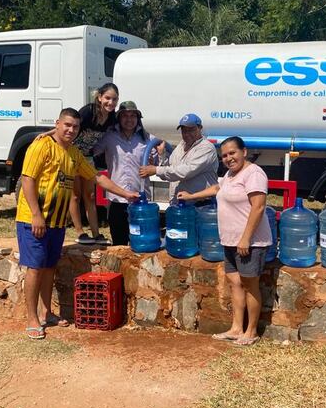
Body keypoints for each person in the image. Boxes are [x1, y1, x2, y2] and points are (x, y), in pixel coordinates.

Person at [17, 107, 138, 340]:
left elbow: (97, 177)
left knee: (49, 266)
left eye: (75, 127)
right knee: (34, 267)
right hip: (33, 219)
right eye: (67, 125)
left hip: (57, 222)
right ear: (58, 123)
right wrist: (35, 214)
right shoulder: (41, 146)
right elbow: (27, 179)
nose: (71, 130)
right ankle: (32, 318)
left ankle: (46, 313)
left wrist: (125, 193)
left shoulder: (73, 153)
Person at [177, 136, 271, 346]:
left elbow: (258, 207)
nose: (228, 158)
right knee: (235, 284)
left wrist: (246, 238)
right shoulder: (229, 175)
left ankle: (251, 331)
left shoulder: (254, 173)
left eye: (232, 153)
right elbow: (217, 189)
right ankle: (237, 328)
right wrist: (192, 196)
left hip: (250, 242)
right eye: (224, 156)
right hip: (230, 241)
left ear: (244, 152)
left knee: (249, 285)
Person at [36, 83, 119, 245]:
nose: (111, 102)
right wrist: (46, 134)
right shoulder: (89, 111)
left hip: (87, 157)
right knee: (75, 195)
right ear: (100, 97)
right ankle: (80, 232)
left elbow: (129, 126)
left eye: (114, 99)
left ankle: (96, 234)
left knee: (90, 195)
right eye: (107, 98)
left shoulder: (112, 118)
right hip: (71, 154)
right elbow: (69, 125)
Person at [93, 101, 157, 245]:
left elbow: (158, 164)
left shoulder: (148, 138)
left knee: (142, 244)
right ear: (119, 118)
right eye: (125, 116)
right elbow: (92, 152)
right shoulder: (109, 137)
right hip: (117, 201)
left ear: (138, 118)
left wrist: (156, 159)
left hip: (141, 201)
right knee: (119, 244)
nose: (129, 119)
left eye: (133, 115)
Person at [139, 113, 218, 206]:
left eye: (191, 130)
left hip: (201, 205)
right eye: (184, 130)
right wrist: (161, 157)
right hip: (179, 204)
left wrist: (155, 170)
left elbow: (185, 171)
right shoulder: (180, 146)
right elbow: (170, 173)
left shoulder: (206, 148)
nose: (187, 133)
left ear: (200, 128)